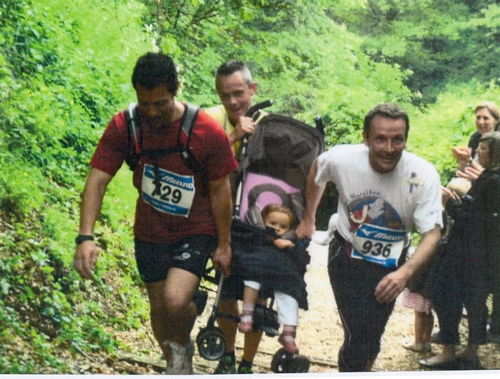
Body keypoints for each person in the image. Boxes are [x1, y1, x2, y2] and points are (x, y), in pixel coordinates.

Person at [72, 52, 237, 375]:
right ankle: (176, 360)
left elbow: (221, 190)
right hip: (150, 230)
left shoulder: (205, 131)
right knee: (160, 308)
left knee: (175, 301)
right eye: (144, 103)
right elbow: (97, 179)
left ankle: (182, 341)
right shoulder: (126, 126)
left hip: (196, 228)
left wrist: (224, 244)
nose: (151, 111)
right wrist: (85, 236)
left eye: (159, 103)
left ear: (176, 88)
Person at [296, 103, 443, 372]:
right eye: (380, 139)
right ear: (366, 138)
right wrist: (309, 218)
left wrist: (405, 273)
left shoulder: (422, 175)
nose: (388, 148)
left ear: (406, 139)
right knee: (357, 335)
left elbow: (432, 233)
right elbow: (318, 169)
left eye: (397, 139)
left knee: (372, 334)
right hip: (347, 254)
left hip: (391, 263)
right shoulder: (343, 158)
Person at [205, 60, 266, 374]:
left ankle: (247, 363)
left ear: (253, 90)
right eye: (224, 95)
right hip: (221, 220)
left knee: (257, 298)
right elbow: (195, 162)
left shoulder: (269, 125)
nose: (232, 102)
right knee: (226, 290)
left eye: (238, 93)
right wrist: (230, 138)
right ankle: (228, 356)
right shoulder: (208, 120)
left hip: (257, 225)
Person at [420, 131, 500, 370]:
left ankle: (449, 350)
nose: (477, 153)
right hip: (483, 253)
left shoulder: (493, 181)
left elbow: (473, 219)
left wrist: (449, 202)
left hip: (467, 251)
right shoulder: (490, 177)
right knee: (475, 301)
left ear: (494, 153)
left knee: (445, 295)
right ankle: (470, 350)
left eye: (482, 150)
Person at [238, 204, 305, 354]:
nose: (277, 229)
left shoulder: (288, 241)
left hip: (280, 274)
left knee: (290, 291)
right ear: (263, 222)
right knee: (253, 277)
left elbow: (300, 257)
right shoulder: (258, 235)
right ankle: (247, 314)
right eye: (272, 224)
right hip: (258, 267)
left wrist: (290, 245)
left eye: (283, 226)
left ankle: (288, 331)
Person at [452, 101, 500, 182]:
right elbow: (465, 169)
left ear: (496, 120)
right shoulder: (475, 137)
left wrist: (470, 161)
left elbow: (492, 175)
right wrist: (463, 161)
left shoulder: (497, 141)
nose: (481, 122)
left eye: (486, 118)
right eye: (478, 118)